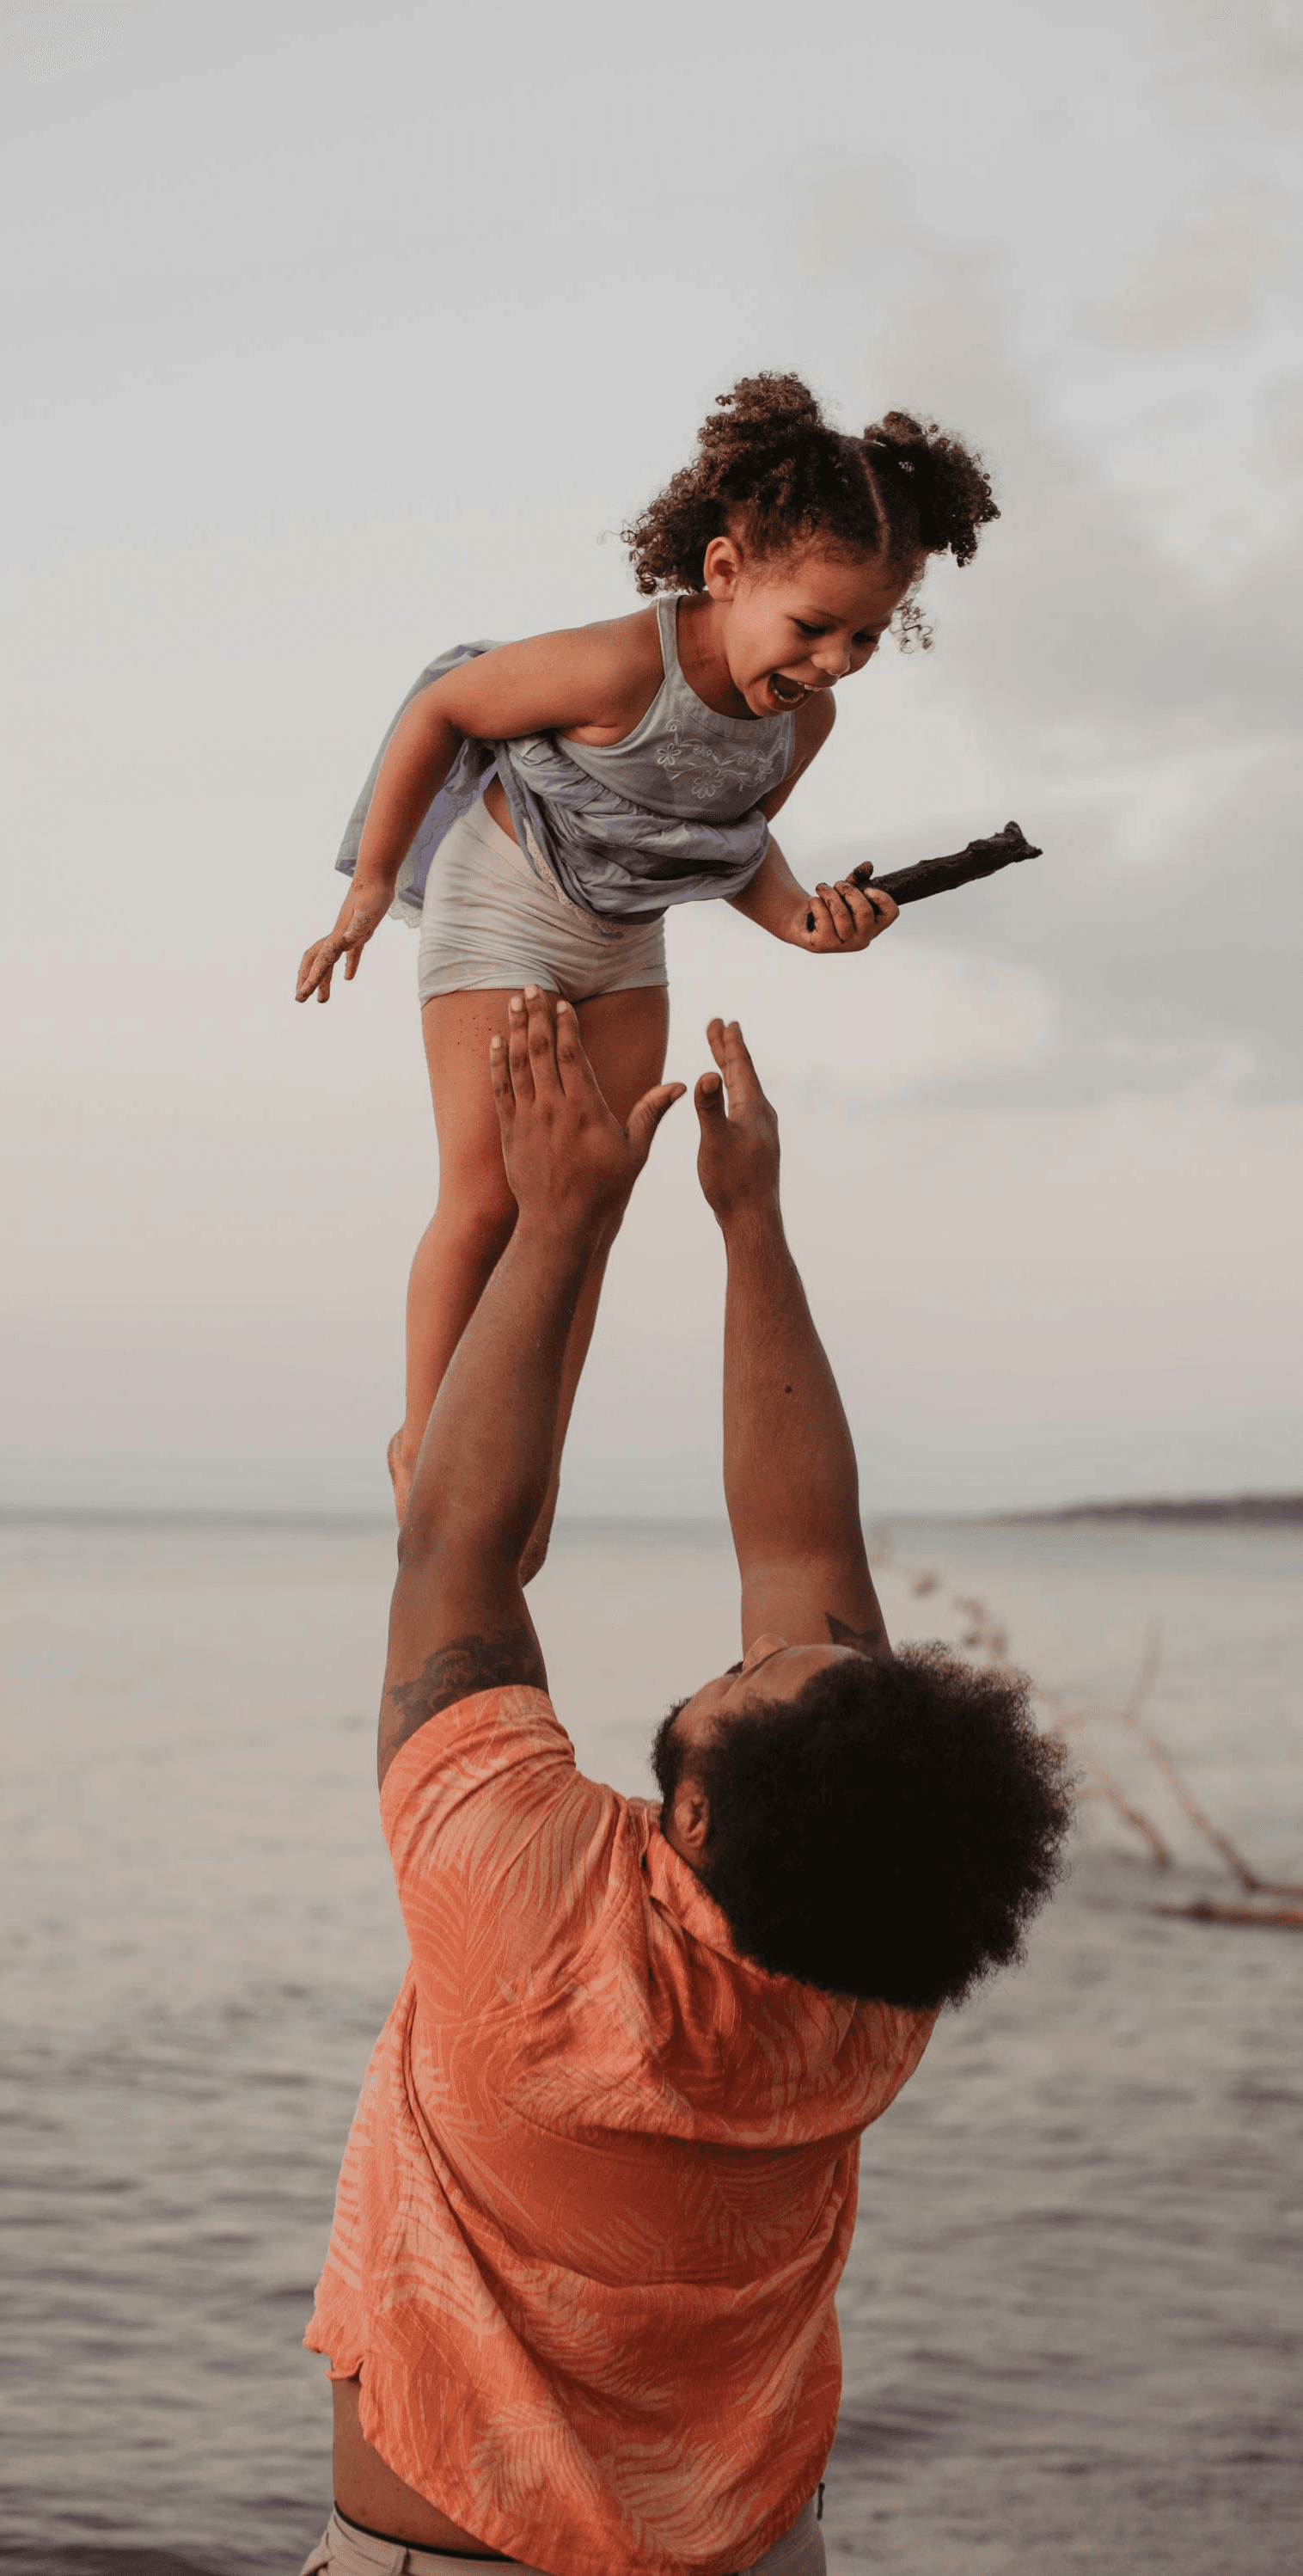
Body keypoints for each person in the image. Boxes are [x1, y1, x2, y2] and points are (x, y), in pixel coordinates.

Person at [300, 995, 1071, 2576]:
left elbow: (452, 1547)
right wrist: (751, 1230)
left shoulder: (526, 1911)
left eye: (749, 1682)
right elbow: (802, 1557)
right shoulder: (875, 1970)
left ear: (698, 1819)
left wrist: (565, 1221)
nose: (752, 1652)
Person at [294, 374, 999, 1556]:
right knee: (489, 1190)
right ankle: (426, 1436)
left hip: (626, 938)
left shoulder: (799, 724)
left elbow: (733, 848)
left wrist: (807, 924)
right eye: (813, 626)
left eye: (867, 636)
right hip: (505, 903)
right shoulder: (624, 665)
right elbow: (445, 707)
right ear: (726, 573)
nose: (833, 660)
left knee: (590, 1203)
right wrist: (372, 883)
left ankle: (528, 1454)